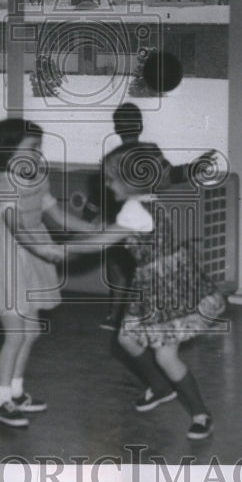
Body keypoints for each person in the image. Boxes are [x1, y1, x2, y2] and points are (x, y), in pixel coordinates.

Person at [0, 117, 131, 428]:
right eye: (30, 148)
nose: (37, 155)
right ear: (7, 151)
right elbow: (17, 229)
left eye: (39, 148)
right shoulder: (4, 187)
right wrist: (45, 251)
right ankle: (1, 401)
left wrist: (100, 231)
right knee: (15, 335)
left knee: (31, 332)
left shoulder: (36, 180)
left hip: (31, 259)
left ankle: (16, 393)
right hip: (5, 262)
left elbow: (59, 217)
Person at [103, 141, 228, 441]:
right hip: (160, 282)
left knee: (166, 358)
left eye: (110, 179)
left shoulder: (133, 208)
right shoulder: (146, 197)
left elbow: (98, 241)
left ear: (130, 181)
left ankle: (201, 414)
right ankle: (160, 388)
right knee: (126, 339)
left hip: (164, 289)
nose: (107, 185)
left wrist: (57, 246)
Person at [96, 102, 216, 331]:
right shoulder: (147, 151)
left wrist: (194, 168)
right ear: (139, 126)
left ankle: (118, 316)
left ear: (117, 128)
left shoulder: (118, 156)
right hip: (136, 216)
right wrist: (195, 168)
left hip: (135, 216)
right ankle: (126, 316)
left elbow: (168, 176)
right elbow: (170, 176)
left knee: (124, 269)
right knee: (131, 269)